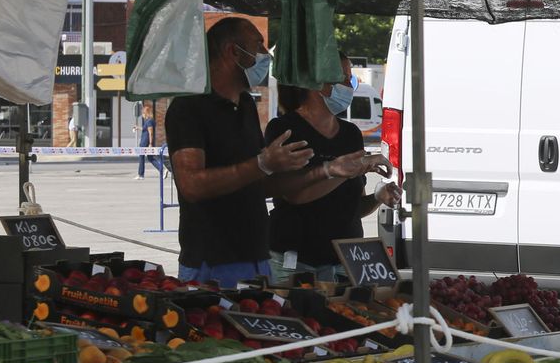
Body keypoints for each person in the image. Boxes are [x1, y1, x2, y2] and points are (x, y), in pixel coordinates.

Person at [166, 18, 314, 286]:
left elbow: (258, 183)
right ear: (233, 52)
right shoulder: (188, 106)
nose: (265, 55)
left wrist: (329, 170)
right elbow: (191, 185)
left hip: (257, 259)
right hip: (211, 263)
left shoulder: (245, 104)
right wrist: (262, 163)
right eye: (258, 45)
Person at [266, 53, 397, 284]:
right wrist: (338, 170)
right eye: (343, 79)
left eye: (351, 80)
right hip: (295, 261)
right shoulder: (285, 129)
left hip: (346, 261)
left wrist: (378, 197)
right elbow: (294, 195)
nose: (349, 87)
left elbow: (353, 208)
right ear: (317, 84)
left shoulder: (350, 134)